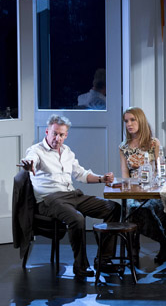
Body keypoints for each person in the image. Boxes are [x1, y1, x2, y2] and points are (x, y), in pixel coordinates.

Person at [19, 114, 120, 280]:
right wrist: (28, 165)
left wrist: (102, 178)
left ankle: (104, 260)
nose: (57, 138)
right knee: (77, 219)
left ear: (66, 135)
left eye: (61, 135)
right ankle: (80, 266)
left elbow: (81, 174)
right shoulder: (36, 151)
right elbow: (31, 160)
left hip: (72, 195)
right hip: (49, 199)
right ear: (47, 132)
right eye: (54, 133)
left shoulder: (67, 152)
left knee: (113, 208)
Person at [119, 107, 166, 264]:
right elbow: (125, 174)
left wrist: (153, 187)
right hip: (134, 190)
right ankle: (133, 250)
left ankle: (164, 244)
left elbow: (161, 170)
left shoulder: (153, 143)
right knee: (133, 207)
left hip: (152, 189)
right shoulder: (123, 147)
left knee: (148, 207)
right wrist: (133, 189)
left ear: (140, 120)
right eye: (126, 121)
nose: (129, 124)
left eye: (132, 120)